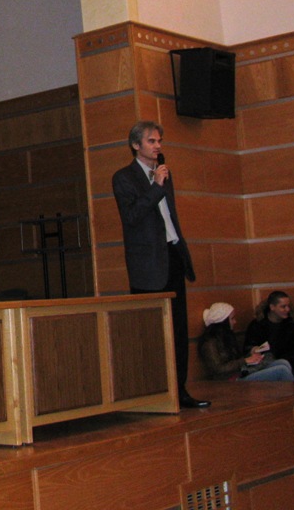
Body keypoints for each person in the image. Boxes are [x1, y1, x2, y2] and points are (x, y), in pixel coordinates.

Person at [112, 121, 209, 408]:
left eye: (159, 141)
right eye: (152, 141)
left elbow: (168, 216)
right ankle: (153, 394)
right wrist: (156, 187)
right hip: (148, 265)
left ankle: (180, 391)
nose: (158, 146)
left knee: (178, 330)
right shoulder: (124, 177)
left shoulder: (165, 174)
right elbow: (132, 217)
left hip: (172, 254)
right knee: (152, 333)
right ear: (136, 145)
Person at [198, 302, 294, 382]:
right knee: (282, 370)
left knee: (283, 362)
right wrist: (245, 361)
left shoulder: (227, 337)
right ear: (223, 322)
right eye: (232, 319)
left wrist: (251, 355)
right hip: (231, 380)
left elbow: (236, 359)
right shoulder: (209, 343)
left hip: (242, 372)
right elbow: (218, 369)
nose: (235, 322)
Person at [244, 290, 294, 362]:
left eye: (288, 306)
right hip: (266, 363)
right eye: (283, 307)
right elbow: (248, 347)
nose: (287, 309)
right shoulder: (257, 325)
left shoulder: (293, 323)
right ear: (272, 307)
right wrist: (254, 349)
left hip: (290, 361)